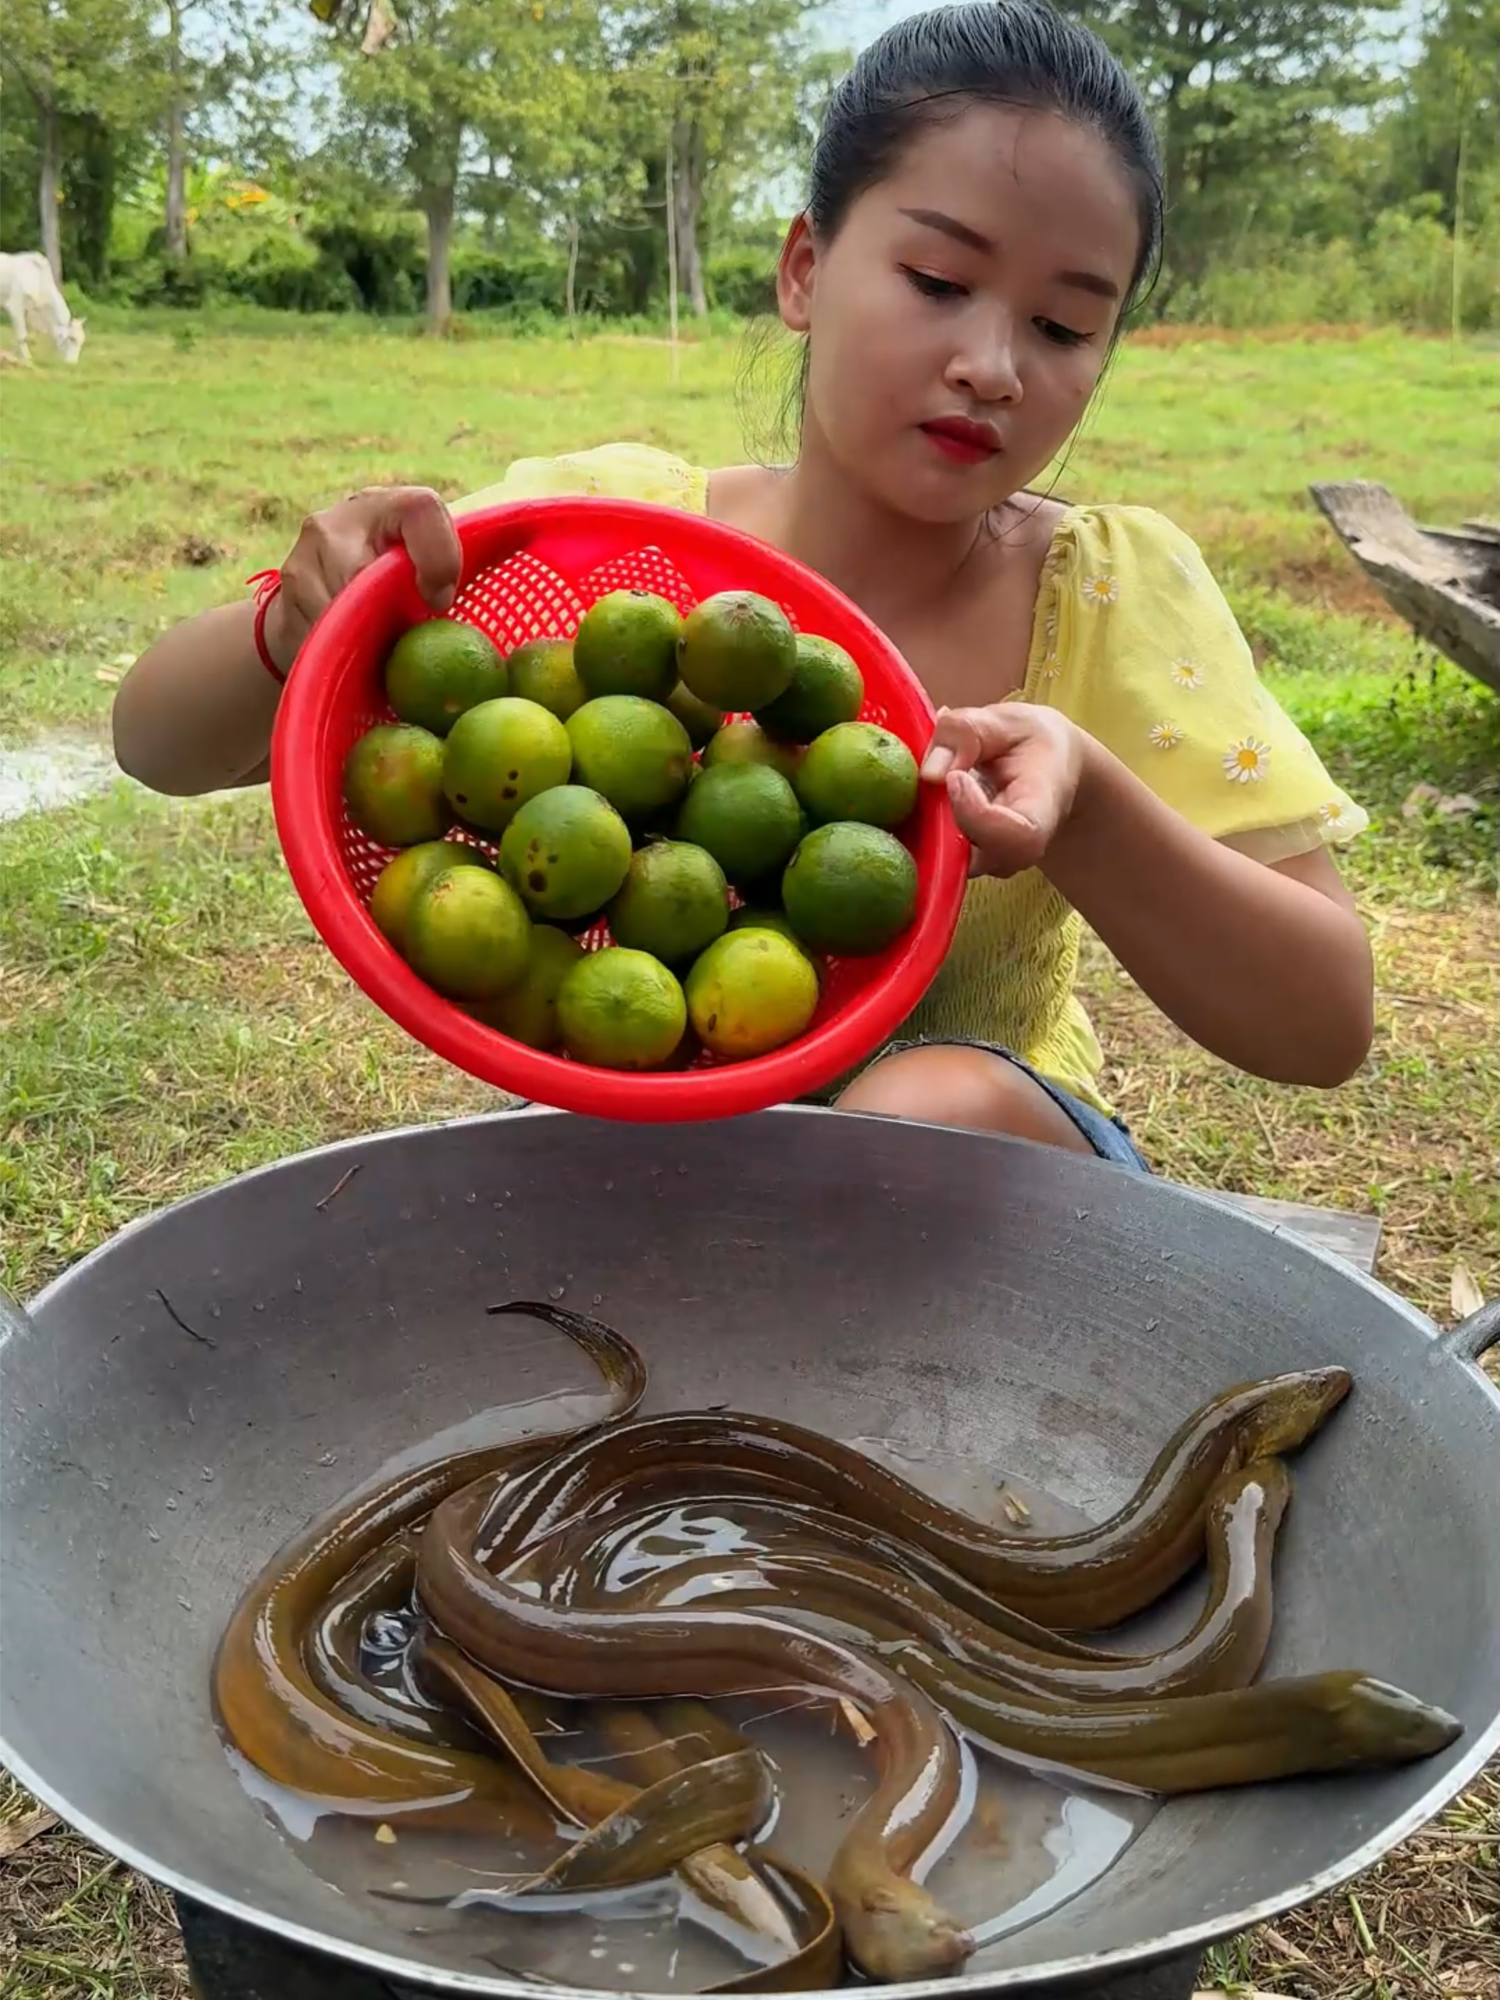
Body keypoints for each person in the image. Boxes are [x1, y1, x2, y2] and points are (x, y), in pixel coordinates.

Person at [113, 0, 1374, 1173]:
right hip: (646, 1162)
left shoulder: (1102, 591)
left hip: (983, 1204)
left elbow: (1325, 1023)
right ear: (805, 270)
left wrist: (1091, 809)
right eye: (938, 282)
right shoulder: (615, 547)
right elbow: (154, 741)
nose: (992, 364)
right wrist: (294, 620)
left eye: (1062, 326)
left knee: (917, 1109)